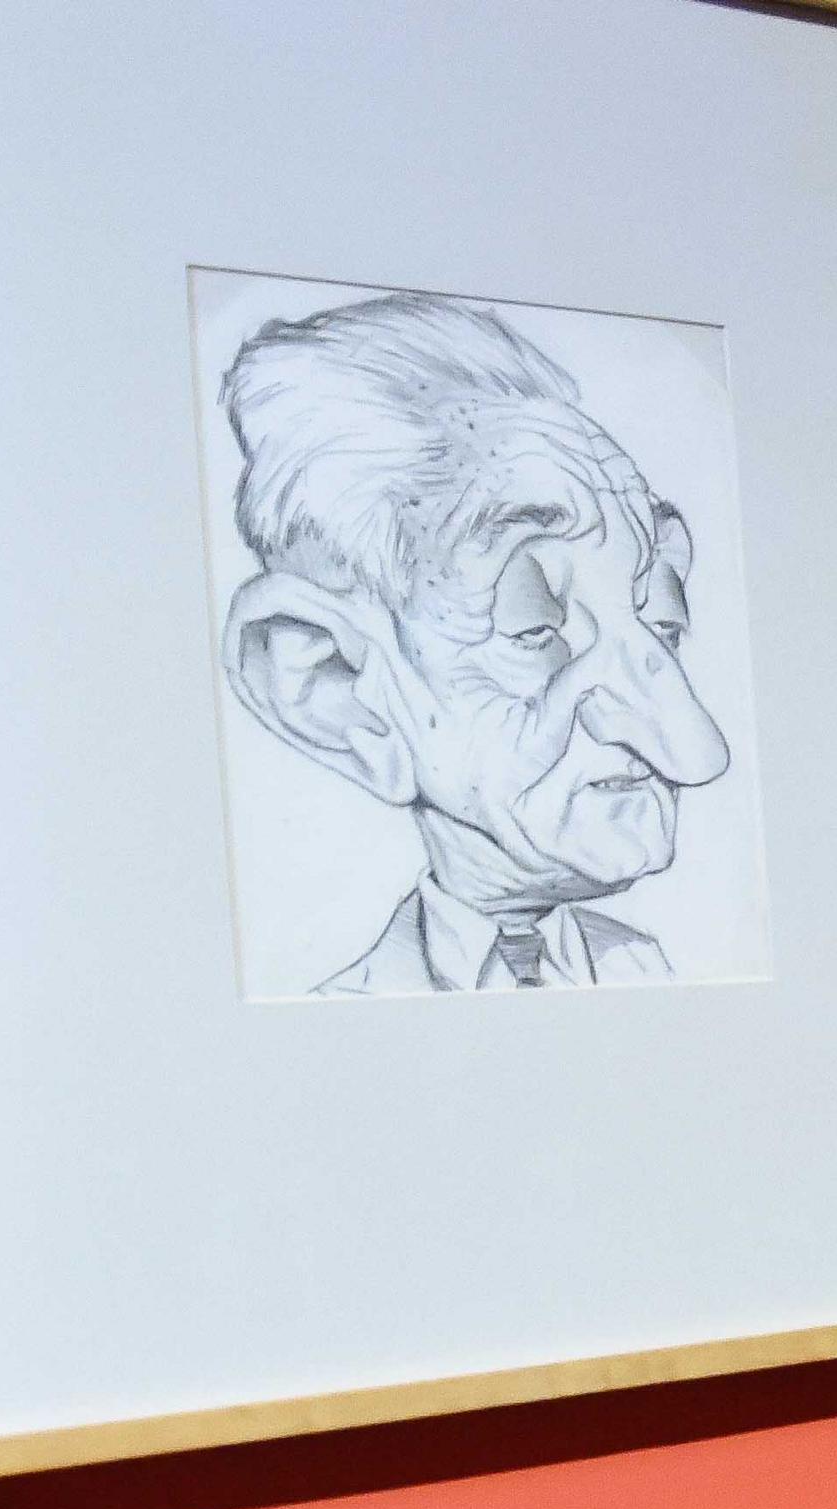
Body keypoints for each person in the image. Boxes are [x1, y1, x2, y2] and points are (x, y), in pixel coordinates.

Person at [217, 290, 732, 995]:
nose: (694, 750)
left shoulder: (672, 977)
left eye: (662, 627)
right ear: (331, 685)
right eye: (534, 631)